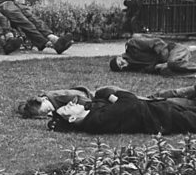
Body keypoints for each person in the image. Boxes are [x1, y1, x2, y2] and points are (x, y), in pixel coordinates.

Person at [48, 85, 196, 134]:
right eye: (68, 108)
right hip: (164, 118)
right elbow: (130, 101)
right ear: (73, 119)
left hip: (158, 109)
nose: (72, 104)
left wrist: (106, 95)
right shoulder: (97, 121)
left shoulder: (92, 111)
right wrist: (113, 96)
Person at [17, 85, 196, 119]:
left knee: (151, 102)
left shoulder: (58, 96)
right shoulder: (50, 101)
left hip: (106, 95)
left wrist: (82, 107)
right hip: (104, 99)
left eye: (45, 110)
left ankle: (188, 95)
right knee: (150, 101)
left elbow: (82, 96)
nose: (48, 112)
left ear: (42, 100)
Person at [109, 34, 196, 75]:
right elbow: (152, 68)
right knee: (166, 72)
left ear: (120, 57)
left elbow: (157, 42)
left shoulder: (132, 45)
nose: (124, 66)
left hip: (175, 49)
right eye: (122, 68)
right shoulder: (134, 66)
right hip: (172, 61)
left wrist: (164, 61)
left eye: (121, 63)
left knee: (171, 63)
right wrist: (157, 67)